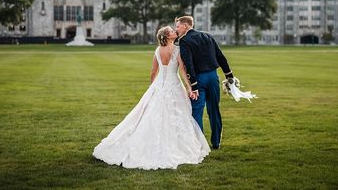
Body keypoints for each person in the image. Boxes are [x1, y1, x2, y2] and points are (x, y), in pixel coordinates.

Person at [92, 26, 210, 170]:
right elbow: (182, 69)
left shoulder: (157, 50)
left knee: (153, 114)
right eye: (172, 31)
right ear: (167, 36)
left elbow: (153, 71)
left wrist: (153, 87)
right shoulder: (177, 49)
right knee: (176, 114)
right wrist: (189, 86)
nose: (175, 32)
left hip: (159, 85)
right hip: (173, 84)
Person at [175, 16, 234, 150]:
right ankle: (216, 142)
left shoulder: (184, 41)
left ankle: (199, 145)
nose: (176, 29)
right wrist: (229, 75)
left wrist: (193, 85)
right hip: (213, 77)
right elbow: (220, 56)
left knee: (197, 111)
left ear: (185, 26)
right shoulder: (208, 36)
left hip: (199, 79)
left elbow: (188, 64)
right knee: (214, 109)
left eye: (178, 26)